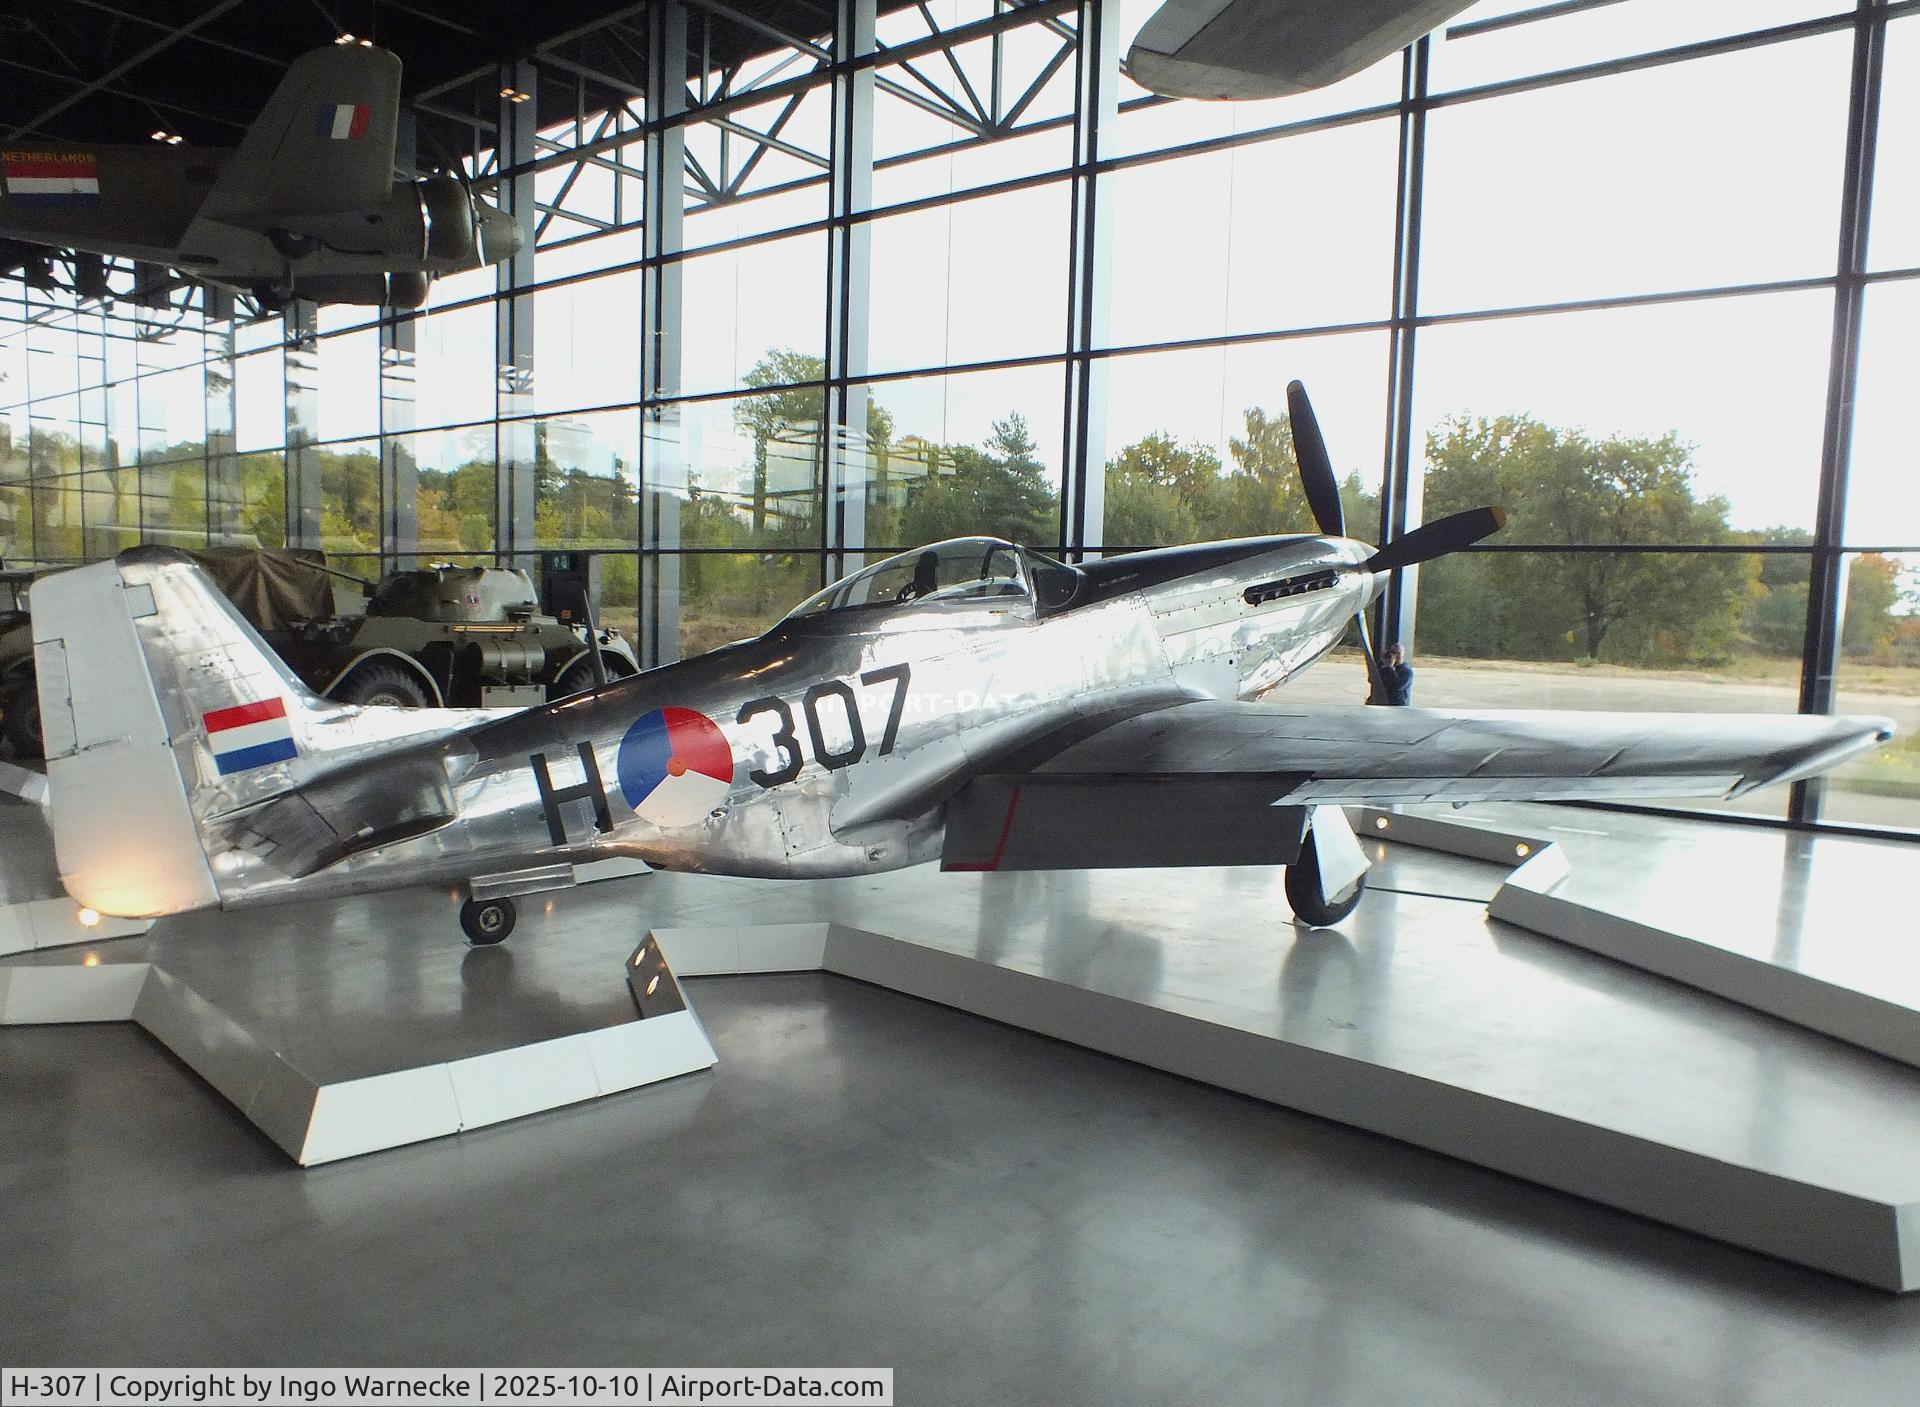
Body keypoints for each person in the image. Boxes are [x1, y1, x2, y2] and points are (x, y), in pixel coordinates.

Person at [1370, 641, 1413, 706]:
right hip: (1382, 702)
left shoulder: (1406, 672)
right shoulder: (1384, 667)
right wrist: (1382, 664)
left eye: (1398, 653)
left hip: (1397, 704)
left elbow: (1396, 687)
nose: (1394, 656)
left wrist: (1389, 668)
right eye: (1392, 652)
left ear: (1402, 655)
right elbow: (1371, 679)